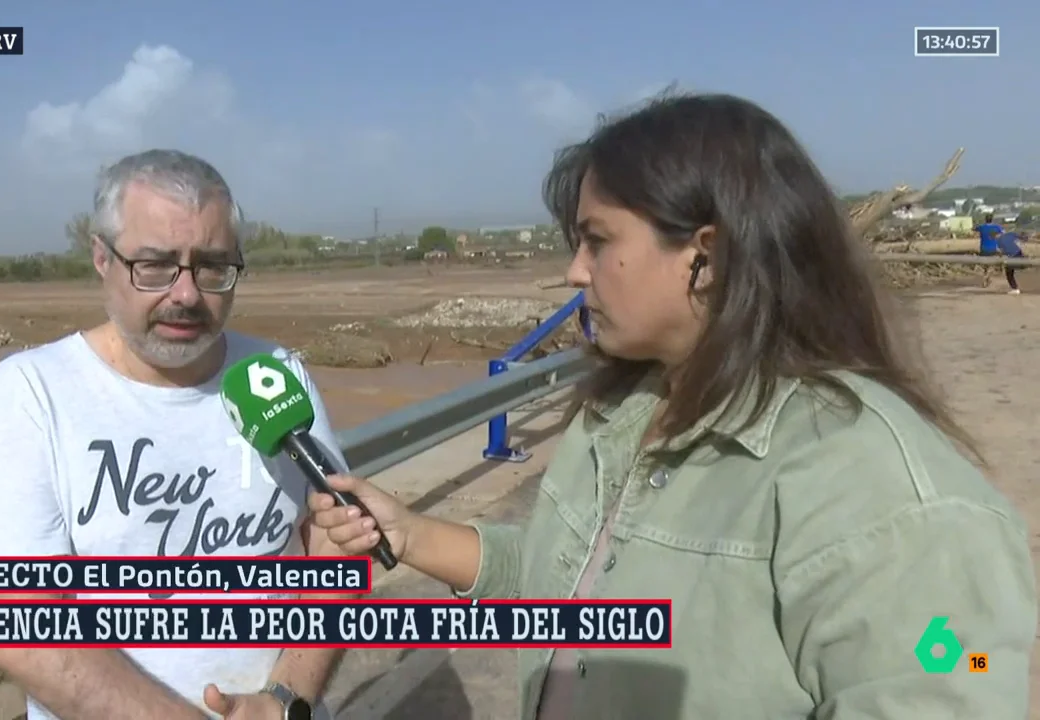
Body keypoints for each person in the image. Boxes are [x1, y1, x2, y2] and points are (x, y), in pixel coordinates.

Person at [307, 93, 1037, 719]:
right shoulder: (627, 409)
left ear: (707, 256)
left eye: (597, 242)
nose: (573, 271)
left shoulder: (884, 497)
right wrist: (409, 534)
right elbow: (566, 578)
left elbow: (954, 671)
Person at [0, 149, 347, 720]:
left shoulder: (277, 374)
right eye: (155, 266)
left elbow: (336, 543)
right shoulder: (30, 395)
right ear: (101, 259)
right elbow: (14, 625)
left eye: (211, 266)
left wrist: (286, 698)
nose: (186, 294)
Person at [997, 228, 1026, 295]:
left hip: (1011, 256)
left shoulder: (998, 240)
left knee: (1009, 273)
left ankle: (1015, 289)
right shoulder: (1010, 234)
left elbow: (1000, 252)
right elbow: (1020, 238)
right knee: (1023, 265)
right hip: (1018, 252)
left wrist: (1002, 259)